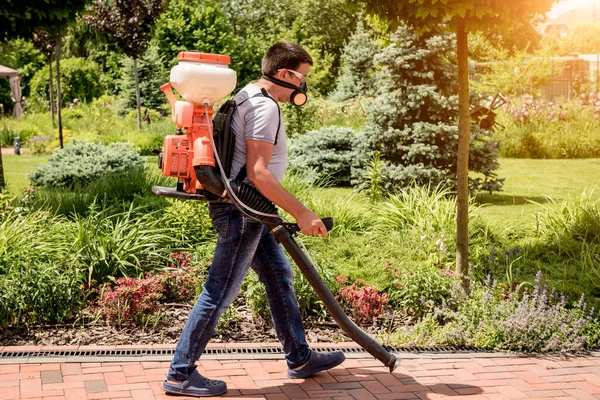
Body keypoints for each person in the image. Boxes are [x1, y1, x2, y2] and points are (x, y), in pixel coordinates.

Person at [162, 41, 345, 398]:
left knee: (279, 277)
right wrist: (303, 213)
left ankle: (299, 357)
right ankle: (180, 374)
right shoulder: (266, 108)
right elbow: (259, 173)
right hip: (244, 211)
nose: (302, 85)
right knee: (220, 290)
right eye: (301, 77)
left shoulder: (244, 95)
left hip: (251, 210)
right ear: (284, 74)